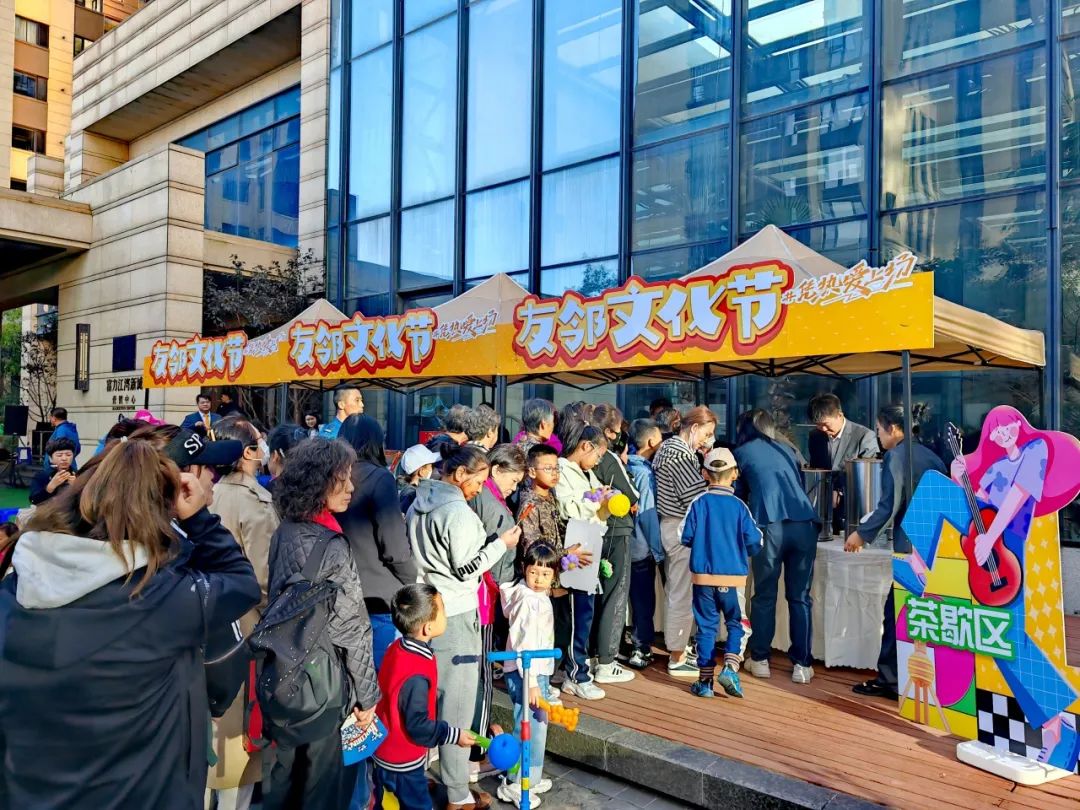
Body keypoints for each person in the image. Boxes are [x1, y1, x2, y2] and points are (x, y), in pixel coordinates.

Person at [0, 432, 260, 810]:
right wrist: (199, 521)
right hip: (144, 793)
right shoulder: (163, 598)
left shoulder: (15, 590)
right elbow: (242, 584)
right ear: (161, 507)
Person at [263, 438, 380, 810]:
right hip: (324, 683)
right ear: (317, 483)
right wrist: (368, 697)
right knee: (323, 788)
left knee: (285, 780)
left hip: (284, 674)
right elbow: (351, 628)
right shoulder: (332, 544)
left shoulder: (285, 531)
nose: (350, 487)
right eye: (341, 479)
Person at [407, 445, 520, 810]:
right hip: (455, 613)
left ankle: (422, 776)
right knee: (455, 705)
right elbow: (466, 568)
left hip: (426, 608)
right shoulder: (456, 512)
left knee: (427, 700)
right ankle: (457, 794)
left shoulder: (418, 501)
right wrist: (500, 544)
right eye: (478, 481)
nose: (479, 489)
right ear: (459, 475)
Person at [844, 404, 945, 702]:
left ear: (893, 428)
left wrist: (861, 534)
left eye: (879, 429)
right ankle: (924, 676)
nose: (878, 436)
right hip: (936, 546)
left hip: (910, 549)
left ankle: (890, 680)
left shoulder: (896, 457)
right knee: (924, 615)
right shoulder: (932, 456)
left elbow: (889, 505)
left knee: (896, 612)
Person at [205, 417, 279, 810]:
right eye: (258, 441)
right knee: (239, 739)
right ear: (248, 452)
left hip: (204, 621)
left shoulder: (206, 491)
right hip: (245, 625)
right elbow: (264, 579)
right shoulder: (255, 503)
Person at [734, 409, 820, 685]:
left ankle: (760, 659)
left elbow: (737, 496)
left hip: (769, 525)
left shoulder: (742, 452)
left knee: (765, 594)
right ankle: (802, 665)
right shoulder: (788, 448)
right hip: (804, 524)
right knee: (800, 597)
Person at [373, 584, 476, 810]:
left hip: (385, 749)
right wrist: (453, 734)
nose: (446, 614)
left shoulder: (396, 647)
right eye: (443, 610)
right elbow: (417, 725)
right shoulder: (416, 672)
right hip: (403, 760)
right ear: (428, 628)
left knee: (388, 803)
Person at [682, 448, 763, 699]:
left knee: (706, 627)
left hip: (703, 578)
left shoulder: (698, 503)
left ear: (704, 474)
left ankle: (705, 682)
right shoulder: (740, 506)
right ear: (735, 474)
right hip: (733, 578)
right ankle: (730, 666)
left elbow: (684, 536)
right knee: (736, 623)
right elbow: (755, 540)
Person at [338, 415, 417, 671]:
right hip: (379, 593)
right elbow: (394, 545)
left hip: (341, 590)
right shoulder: (379, 478)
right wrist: (411, 577)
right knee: (382, 678)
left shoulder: (332, 475)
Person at [651, 406, 717, 677]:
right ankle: (677, 655)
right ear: (694, 428)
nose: (708, 440)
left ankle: (678, 648)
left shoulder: (671, 449)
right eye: (707, 434)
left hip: (673, 526)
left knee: (678, 591)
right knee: (681, 593)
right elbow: (696, 496)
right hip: (680, 527)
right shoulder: (678, 454)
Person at [498, 544, 559, 808]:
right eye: (534, 572)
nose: (539, 579)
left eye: (545, 574)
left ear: (553, 575)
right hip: (526, 674)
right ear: (524, 569)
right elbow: (524, 643)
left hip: (534, 672)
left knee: (537, 725)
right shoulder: (527, 600)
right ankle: (515, 782)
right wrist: (532, 682)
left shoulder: (536, 595)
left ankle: (531, 776)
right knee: (526, 725)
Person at [553, 416, 609, 700]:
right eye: (598, 455)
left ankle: (570, 669)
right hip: (573, 550)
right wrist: (597, 500)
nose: (598, 462)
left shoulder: (583, 472)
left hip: (587, 546)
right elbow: (569, 508)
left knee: (581, 614)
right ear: (586, 446)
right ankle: (577, 675)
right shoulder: (563, 470)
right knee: (578, 615)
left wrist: (602, 497)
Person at [589, 404, 638, 684]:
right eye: (617, 431)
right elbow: (632, 494)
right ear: (608, 431)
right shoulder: (607, 457)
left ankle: (591, 655)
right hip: (616, 530)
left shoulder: (577, 454)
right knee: (614, 595)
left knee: (593, 596)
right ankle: (607, 661)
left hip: (591, 529)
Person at [807, 393, 879, 533]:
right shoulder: (815, 436)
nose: (823, 429)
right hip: (823, 510)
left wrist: (839, 490)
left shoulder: (864, 436)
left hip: (853, 511)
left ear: (840, 415)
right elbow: (816, 468)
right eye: (818, 425)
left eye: (826, 424)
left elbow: (868, 476)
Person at [625, 419, 664, 670]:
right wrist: (658, 550)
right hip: (641, 548)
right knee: (643, 601)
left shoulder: (623, 465)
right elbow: (648, 516)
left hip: (623, 545)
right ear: (650, 441)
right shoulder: (645, 473)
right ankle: (642, 647)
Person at [29, 437, 77, 505]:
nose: (64, 458)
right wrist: (50, 487)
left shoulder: (79, 475)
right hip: (48, 510)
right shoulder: (42, 476)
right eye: (59, 455)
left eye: (68, 455)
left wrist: (76, 486)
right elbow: (34, 501)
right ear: (51, 458)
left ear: (73, 456)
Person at [397, 443, 442, 515]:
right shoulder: (412, 495)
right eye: (431, 466)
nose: (434, 469)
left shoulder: (406, 490)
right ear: (421, 472)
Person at [43, 407, 80, 472]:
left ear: (54, 418)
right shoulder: (71, 429)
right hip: (70, 466)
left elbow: (58, 449)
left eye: (50, 417)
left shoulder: (61, 430)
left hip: (60, 469)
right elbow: (78, 449)